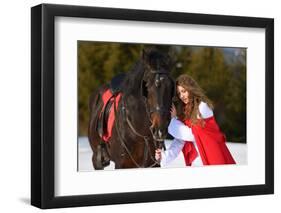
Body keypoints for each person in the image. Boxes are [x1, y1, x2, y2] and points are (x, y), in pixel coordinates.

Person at [155, 74, 236, 167]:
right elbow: (180, 140)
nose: (181, 96)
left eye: (184, 91)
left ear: (190, 89)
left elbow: (193, 135)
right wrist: (164, 156)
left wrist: (173, 120)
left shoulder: (202, 108)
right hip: (197, 163)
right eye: (179, 93)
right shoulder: (186, 111)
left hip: (212, 159)